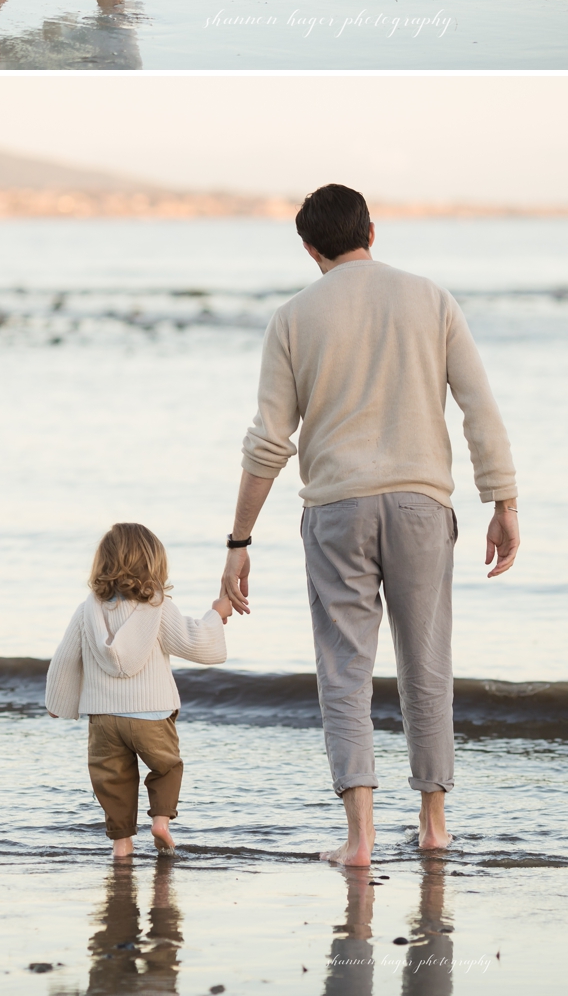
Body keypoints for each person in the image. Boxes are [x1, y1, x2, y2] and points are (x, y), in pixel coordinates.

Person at [220, 183, 521, 866]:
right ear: (373, 232)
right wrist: (501, 499)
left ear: (309, 248)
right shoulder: (431, 298)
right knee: (428, 665)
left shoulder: (293, 317)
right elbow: (479, 405)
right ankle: (434, 823)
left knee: (345, 670)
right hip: (422, 504)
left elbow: (269, 441)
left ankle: (359, 838)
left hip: (335, 509)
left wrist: (239, 541)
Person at [46, 521, 231, 860]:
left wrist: (58, 702)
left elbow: (65, 657)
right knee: (166, 767)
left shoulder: (87, 609)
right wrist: (215, 615)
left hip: (103, 718)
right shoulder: (157, 608)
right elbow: (199, 645)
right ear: (154, 564)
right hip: (152, 715)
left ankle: (121, 845)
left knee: (112, 780)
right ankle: (160, 823)